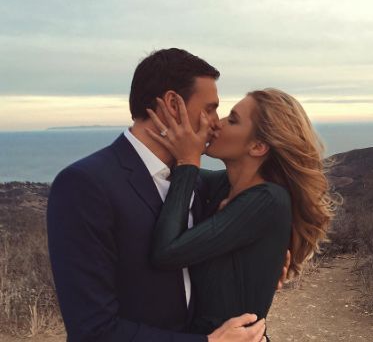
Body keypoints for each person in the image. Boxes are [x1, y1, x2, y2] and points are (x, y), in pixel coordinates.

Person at [47, 48, 289, 342]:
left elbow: (254, 200)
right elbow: (93, 331)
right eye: (210, 108)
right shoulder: (85, 185)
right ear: (174, 105)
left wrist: (263, 264)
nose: (216, 122)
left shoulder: (200, 185)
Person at [144, 88, 341, 340]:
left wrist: (188, 161)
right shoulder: (224, 186)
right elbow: (167, 175)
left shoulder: (268, 200)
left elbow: (166, 252)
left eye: (233, 120)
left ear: (257, 146)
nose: (217, 123)